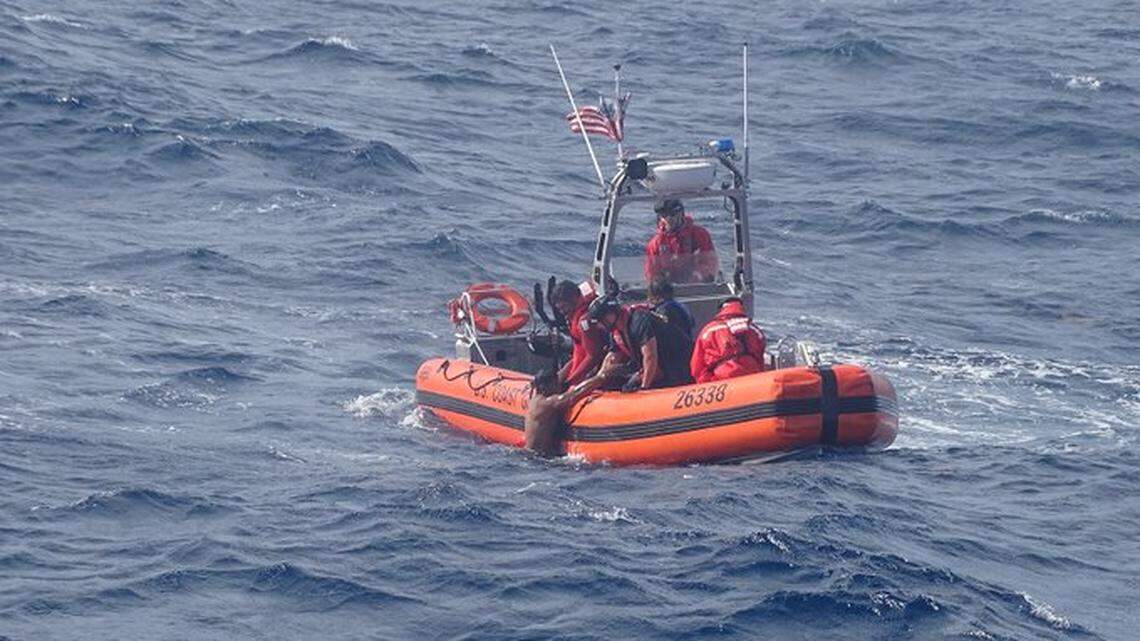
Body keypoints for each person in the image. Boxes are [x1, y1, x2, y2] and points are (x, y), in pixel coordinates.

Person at [589, 297, 693, 392]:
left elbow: (650, 357)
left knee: (632, 385)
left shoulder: (639, 321)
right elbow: (612, 358)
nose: (600, 325)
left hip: (678, 366)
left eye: (602, 319)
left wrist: (644, 388)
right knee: (620, 381)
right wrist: (598, 380)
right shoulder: (616, 332)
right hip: (659, 369)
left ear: (613, 312)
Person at [525, 354, 621, 457]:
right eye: (555, 385)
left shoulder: (536, 397)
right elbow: (574, 394)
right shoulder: (545, 404)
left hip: (534, 454)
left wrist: (576, 359)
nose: (558, 387)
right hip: (538, 457)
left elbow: (561, 375)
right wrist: (602, 376)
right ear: (545, 387)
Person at [689, 297, 766, 383]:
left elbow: (697, 365)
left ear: (721, 310)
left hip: (722, 378)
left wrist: (706, 384)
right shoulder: (754, 330)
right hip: (752, 377)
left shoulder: (709, 330)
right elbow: (760, 359)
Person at [644, 199, 718, 284]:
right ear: (660, 218)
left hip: (697, 285)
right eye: (664, 215)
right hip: (669, 288)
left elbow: (709, 263)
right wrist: (658, 283)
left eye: (672, 214)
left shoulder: (699, 234)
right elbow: (651, 272)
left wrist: (700, 277)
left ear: (681, 214)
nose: (668, 219)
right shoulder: (655, 243)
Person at [550, 280, 607, 387]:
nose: (562, 312)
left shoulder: (585, 322)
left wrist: (569, 383)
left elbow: (593, 357)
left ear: (574, 299)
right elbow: (579, 354)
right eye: (559, 309)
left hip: (593, 372)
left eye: (564, 307)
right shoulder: (574, 316)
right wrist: (559, 379)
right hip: (579, 368)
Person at [647, 275, 694, 341]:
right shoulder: (683, 306)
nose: (648, 300)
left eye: (650, 296)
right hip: (688, 343)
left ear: (657, 296)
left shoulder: (663, 310)